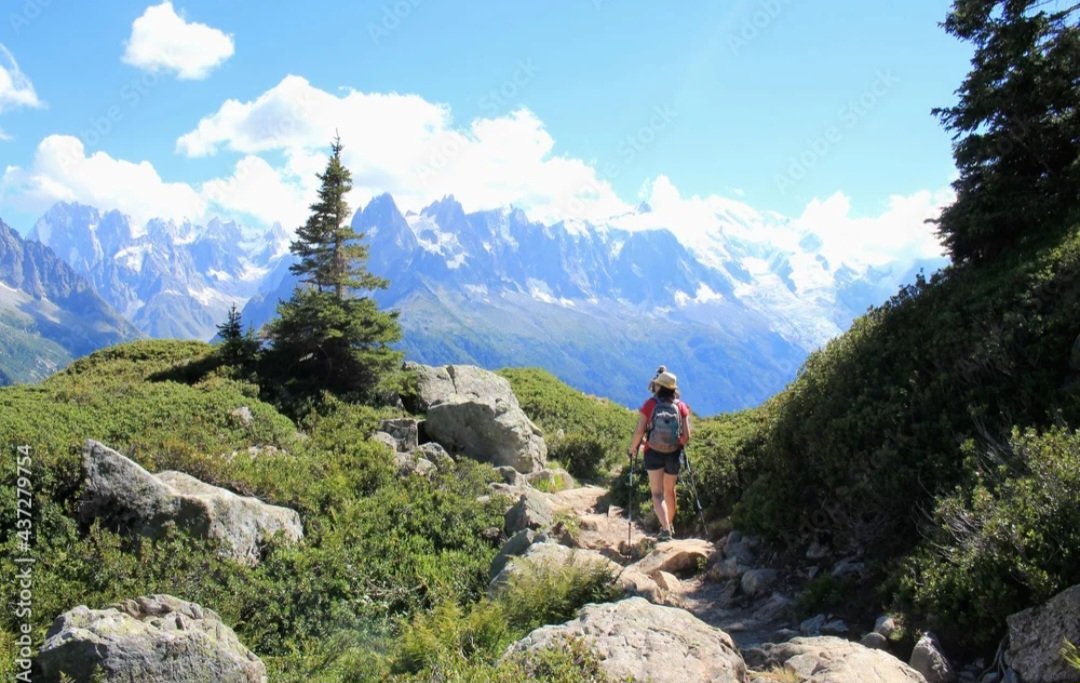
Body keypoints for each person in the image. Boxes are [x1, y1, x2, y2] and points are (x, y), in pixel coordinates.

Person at [628, 367, 691, 541]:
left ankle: (665, 530)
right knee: (670, 492)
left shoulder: (650, 405)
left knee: (657, 493)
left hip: (653, 452)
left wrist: (633, 448)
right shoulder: (681, 406)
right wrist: (676, 444)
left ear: (658, 387)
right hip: (673, 454)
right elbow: (687, 436)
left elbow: (640, 431)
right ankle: (669, 525)